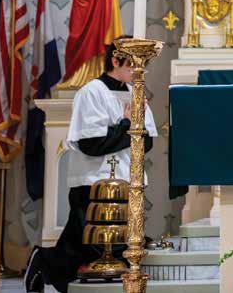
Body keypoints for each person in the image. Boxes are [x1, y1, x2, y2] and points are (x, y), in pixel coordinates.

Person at [24, 39, 158, 293]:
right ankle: (45, 261)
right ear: (115, 61)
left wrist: (128, 128)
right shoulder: (91, 92)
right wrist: (126, 125)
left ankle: (45, 262)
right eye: (132, 65)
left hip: (128, 180)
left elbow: (147, 142)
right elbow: (92, 143)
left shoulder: (135, 93)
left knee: (102, 245)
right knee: (88, 243)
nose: (137, 71)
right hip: (93, 181)